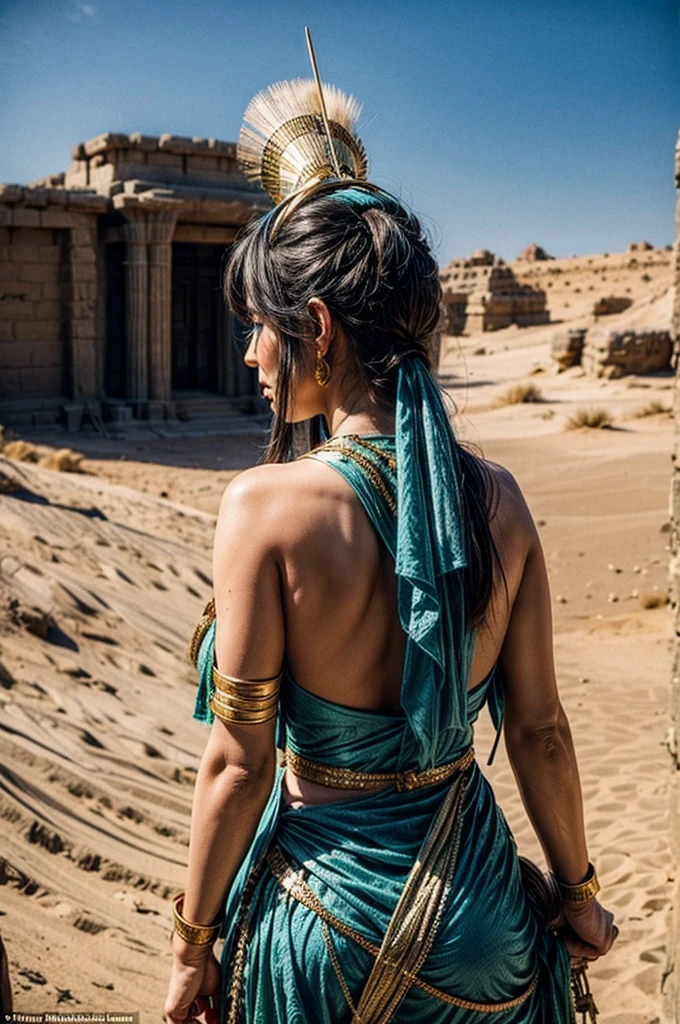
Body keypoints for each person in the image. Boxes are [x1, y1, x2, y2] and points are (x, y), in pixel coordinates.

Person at [163, 75, 617, 1024]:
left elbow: (240, 765)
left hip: (325, 927)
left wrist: (192, 945)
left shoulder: (265, 510)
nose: (251, 353)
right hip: (487, 919)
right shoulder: (503, 501)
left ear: (317, 329)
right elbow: (540, 733)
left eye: (261, 325)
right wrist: (577, 899)